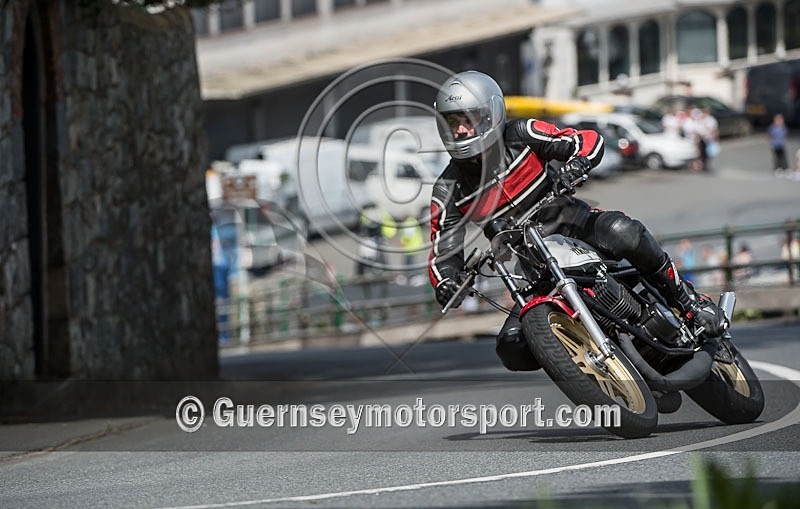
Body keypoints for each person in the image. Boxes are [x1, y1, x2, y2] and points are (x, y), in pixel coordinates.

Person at [428, 71, 728, 372]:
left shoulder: (522, 133)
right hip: (533, 270)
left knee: (623, 231)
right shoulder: (448, 188)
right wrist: (446, 281)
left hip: (577, 226)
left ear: (490, 114)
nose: (461, 130)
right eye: (453, 122)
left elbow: (583, 140)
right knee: (511, 347)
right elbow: (442, 248)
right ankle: (589, 367)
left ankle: (688, 301)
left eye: (468, 119)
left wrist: (578, 163)